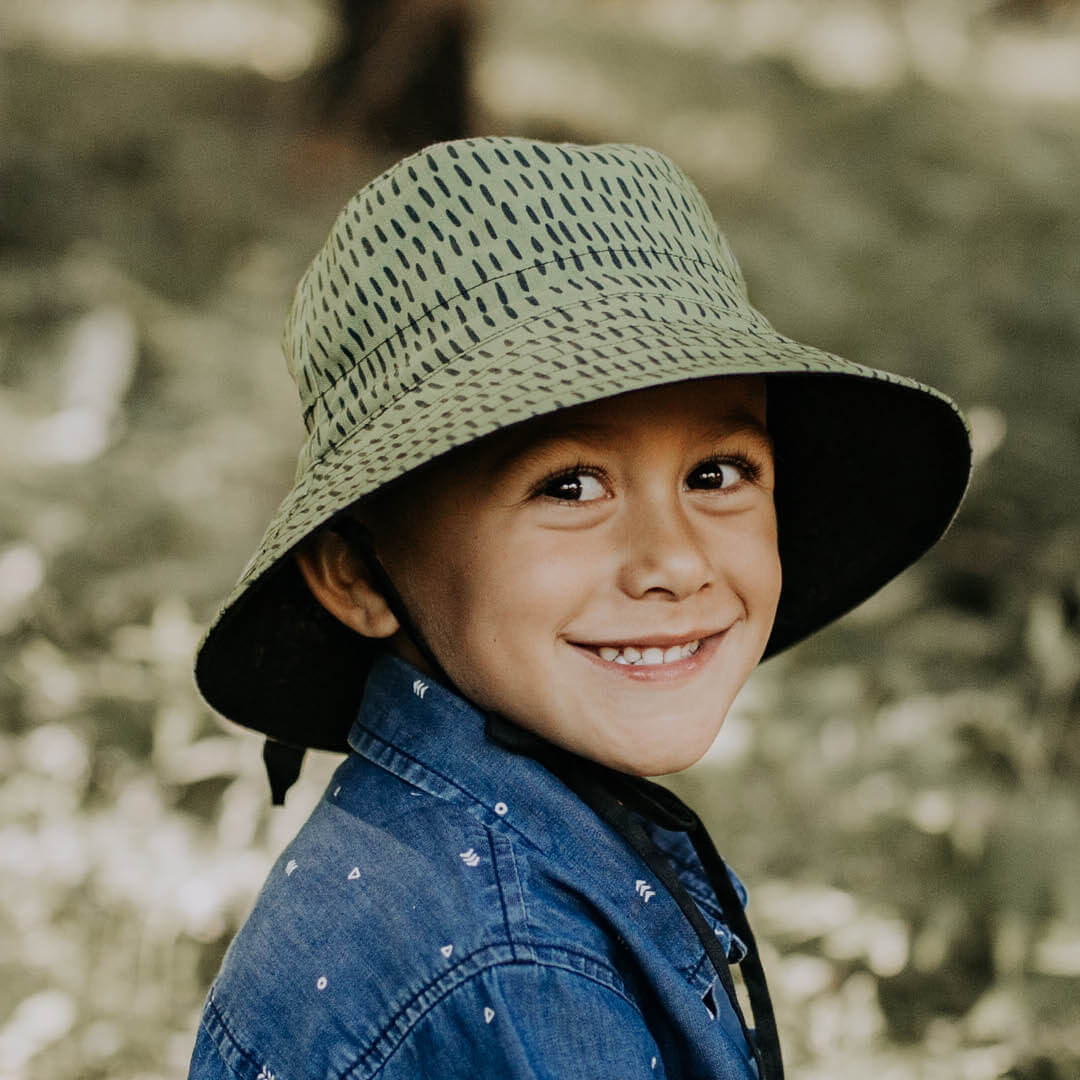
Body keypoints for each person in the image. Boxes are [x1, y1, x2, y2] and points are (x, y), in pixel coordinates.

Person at [187, 136, 971, 1079]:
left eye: (717, 474)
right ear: (354, 572)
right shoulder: (518, 967)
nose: (674, 562)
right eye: (569, 487)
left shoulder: (463, 848)